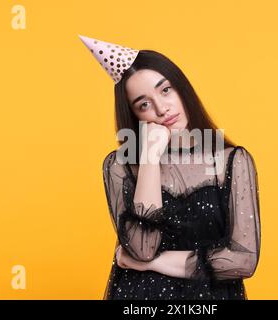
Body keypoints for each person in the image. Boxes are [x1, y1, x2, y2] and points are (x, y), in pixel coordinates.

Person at [79, 35, 261, 300]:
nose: (162, 108)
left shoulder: (233, 161)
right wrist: (150, 157)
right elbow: (142, 248)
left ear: (181, 88)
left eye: (165, 90)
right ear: (135, 115)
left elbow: (242, 260)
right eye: (144, 104)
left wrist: (154, 263)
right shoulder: (121, 166)